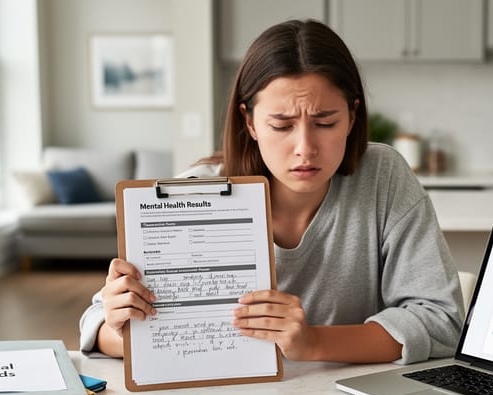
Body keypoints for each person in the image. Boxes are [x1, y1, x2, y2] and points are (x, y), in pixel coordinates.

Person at [79, 19, 464, 364]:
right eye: (281, 126)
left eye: (325, 122)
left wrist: (315, 344)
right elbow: (97, 326)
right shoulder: (193, 192)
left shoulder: (383, 176)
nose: (305, 148)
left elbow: (441, 320)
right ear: (249, 122)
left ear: (352, 116)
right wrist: (122, 325)